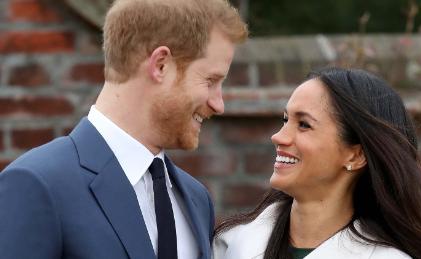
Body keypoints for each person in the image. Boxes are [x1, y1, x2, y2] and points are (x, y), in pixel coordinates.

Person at [0, 0, 247, 258]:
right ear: (160, 65)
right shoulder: (37, 184)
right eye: (211, 81)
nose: (218, 104)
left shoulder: (196, 199)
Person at [213, 67, 421, 259]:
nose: (279, 137)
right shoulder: (230, 244)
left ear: (355, 156)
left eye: (304, 125)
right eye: (286, 120)